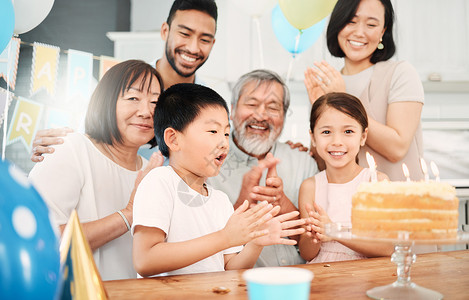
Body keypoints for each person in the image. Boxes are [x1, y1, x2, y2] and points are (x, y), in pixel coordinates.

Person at [132, 83, 305, 276]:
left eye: (225, 133)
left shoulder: (220, 200)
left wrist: (256, 242)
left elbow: (230, 268)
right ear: (173, 139)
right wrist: (225, 237)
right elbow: (145, 259)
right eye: (213, 132)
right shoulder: (159, 181)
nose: (224, 142)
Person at [30, 0, 218, 162]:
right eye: (185, 34)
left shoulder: (211, 105)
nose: (193, 48)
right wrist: (56, 146)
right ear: (164, 31)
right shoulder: (123, 82)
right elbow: (90, 134)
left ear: (213, 43)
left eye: (204, 39)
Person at [28, 60, 165, 280]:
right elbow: (40, 239)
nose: (146, 111)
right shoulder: (70, 149)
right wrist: (128, 214)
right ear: (107, 102)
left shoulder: (152, 170)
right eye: (133, 98)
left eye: (156, 103)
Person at [304, 0, 425, 181]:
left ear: (383, 31)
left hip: (399, 200)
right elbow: (322, 166)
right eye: (351, 21)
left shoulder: (400, 73)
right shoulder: (326, 84)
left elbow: (397, 148)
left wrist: (343, 100)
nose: (359, 32)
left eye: (371, 24)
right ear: (338, 25)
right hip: (346, 205)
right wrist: (311, 146)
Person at [208, 69, 319, 267]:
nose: (260, 115)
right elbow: (205, 246)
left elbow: (312, 242)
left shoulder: (303, 161)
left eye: (273, 107)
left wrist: (282, 203)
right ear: (231, 111)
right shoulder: (207, 164)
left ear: (285, 116)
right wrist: (243, 203)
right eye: (251, 104)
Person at [298, 92, 393, 263]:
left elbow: (386, 248)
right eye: (326, 132)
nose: (337, 141)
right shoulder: (310, 187)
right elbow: (306, 253)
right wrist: (315, 235)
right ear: (313, 137)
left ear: (363, 137)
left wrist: (335, 232)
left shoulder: (376, 182)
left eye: (348, 131)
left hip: (365, 277)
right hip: (323, 277)